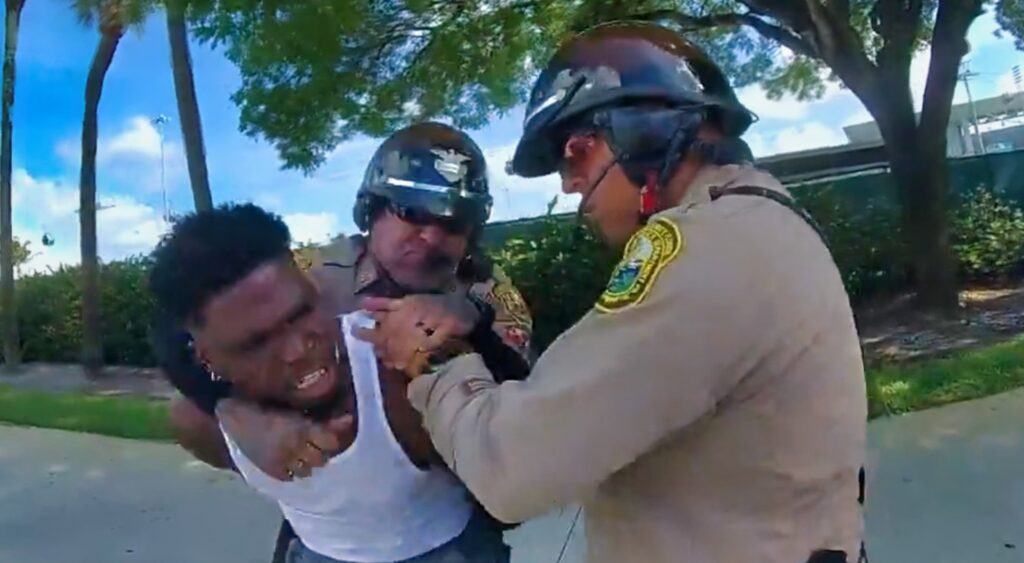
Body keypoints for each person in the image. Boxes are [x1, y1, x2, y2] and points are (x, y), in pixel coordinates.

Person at [357, 22, 868, 563]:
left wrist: (434, 358)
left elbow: (511, 468)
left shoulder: (706, 252)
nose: (568, 184)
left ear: (645, 131)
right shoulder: (761, 220)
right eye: (411, 213)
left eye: (576, 153)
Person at [149, 122, 533, 561]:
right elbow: (180, 324)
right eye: (411, 212)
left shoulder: (493, 299)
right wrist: (227, 406)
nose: (430, 236)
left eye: (453, 222)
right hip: (327, 509)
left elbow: (519, 423)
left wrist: (472, 324)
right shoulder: (314, 267)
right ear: (371, 210)